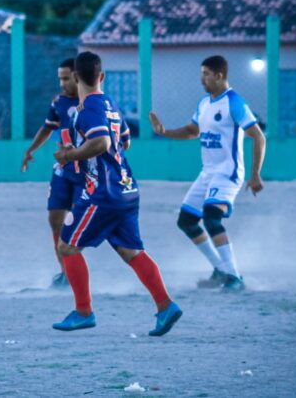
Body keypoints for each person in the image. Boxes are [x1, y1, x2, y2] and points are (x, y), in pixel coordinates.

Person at [52, 51, 182, 336]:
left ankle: (83, 311)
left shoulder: (88, 109)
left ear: (76, 77)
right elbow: (125, 141)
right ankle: (165, 306)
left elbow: (101, 142)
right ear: (102, 76)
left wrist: (70, 154)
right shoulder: (110, 104)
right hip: (126, 188)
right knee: (131, 251)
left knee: (67, 247)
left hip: (103, 193)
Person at [149, 55, 266, 292]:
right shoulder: (204, 103)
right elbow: (192, 131)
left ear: (219, 76)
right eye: (201, 74)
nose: (201, 79)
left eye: (206, 74)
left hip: (228, 173)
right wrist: (164, 132)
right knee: (186, 221)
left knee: (212, 218)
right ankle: (220, 269)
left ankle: (234, 277)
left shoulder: (234, 102)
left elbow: (258, 137)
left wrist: (255, 174)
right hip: (207, 173)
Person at [21, 58, 91, 289]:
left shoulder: (93, 102)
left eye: (66, 78)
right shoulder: (58, 102)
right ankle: (65, 272)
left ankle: (75, 269)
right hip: (63, 170)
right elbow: (47, 127)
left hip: (86, 172)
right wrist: (30, 150)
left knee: (76, 223)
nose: (62, 83)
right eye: (59, 78)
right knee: (55, 220)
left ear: (77, 77)